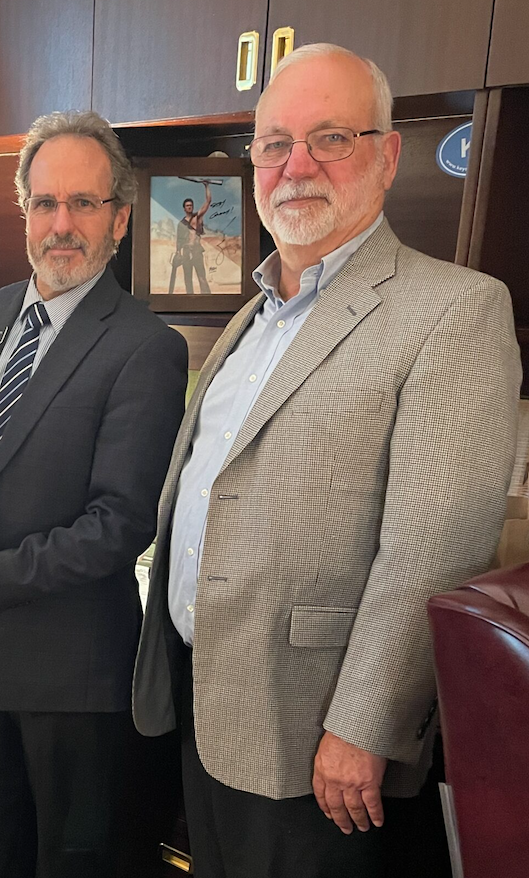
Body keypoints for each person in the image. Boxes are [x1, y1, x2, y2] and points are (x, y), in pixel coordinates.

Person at [132, 43, 521, 878]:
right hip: (211, 706)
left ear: (387, 154)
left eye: (330, 139)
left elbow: (435, 548)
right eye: (274, 144)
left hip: (322, 744)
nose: (295, 166)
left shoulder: (453, 311)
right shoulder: (253, 313)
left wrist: (365, 727)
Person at [0, 110, 188, 878]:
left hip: (74, 680)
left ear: (118, 219)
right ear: (23, 210)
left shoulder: (146, 349)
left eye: (84, 204)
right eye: (46, 203)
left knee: (72, 865)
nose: (63, 224)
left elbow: (119, 526)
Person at [171, 182, 211, 294]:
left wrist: (206, 186)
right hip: (186, 252)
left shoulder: (197, 218)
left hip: (197, 251)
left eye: (191, 206)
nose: (189, 207)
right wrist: (178, 253)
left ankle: (207, 300)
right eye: (187, 206)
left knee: (202, 277)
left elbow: (208, 202)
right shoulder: (181, 224)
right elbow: (178, 240)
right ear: (184, 208)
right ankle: (190, 300)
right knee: (187, 279)